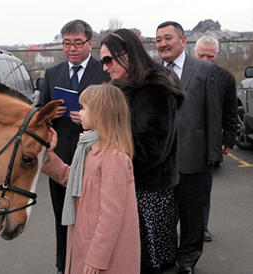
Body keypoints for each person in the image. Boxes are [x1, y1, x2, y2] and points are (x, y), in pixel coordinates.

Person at [100, 29, 185, 274]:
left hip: (148, 194)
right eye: (102, 60)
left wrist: (108, 158)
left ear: (127, 54)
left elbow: (151, 148)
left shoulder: (153, 88)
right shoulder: (124, 86)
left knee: (147, 263)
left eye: (109, 59)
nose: (105, 67)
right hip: (131, 188)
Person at [41, 84, 140, 274]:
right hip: (86, 240)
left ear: (100, 113)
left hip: (103, 256)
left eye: (84, 108)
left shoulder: (113, 158)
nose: (80, 113)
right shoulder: (89, 148)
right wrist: (51, 155)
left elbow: (112, 216)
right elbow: (76, 181)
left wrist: (96, 258)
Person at [36, 19, 108, 274]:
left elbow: (116, 113)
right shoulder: (53, 73)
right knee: (63, 217)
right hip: (62, 158)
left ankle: (94, 263)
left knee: (94, 217)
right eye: (67, 43)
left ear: (90, 43)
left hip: (95, 155)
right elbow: (39, 112)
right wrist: (51, 114)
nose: (72, 49)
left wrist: (92, 119)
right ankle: (63, 264)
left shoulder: (104, 72)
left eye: (78, 43)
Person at [156, 22, 222, 274]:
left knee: (193, 214)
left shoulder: (204, 70)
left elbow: (213, 114)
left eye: (168, 38)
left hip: (193, 156)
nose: (163, 43)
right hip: (160, 161)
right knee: (164, 215)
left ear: (183, 41)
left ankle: (188, 261)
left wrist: (213, 153)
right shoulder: (151, 73)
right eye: (158, 39)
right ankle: (166, 257)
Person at [194, 35, 238, 242]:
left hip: (209, 141)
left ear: (216, 55)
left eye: (210, 56)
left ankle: (201, 227)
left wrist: (228, 139)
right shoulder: (182, 74)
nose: (205, 59)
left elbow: (230, 112)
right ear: (194, 54)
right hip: (183, 140)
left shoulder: (226, 78)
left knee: (204, 188)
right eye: (201, 55)